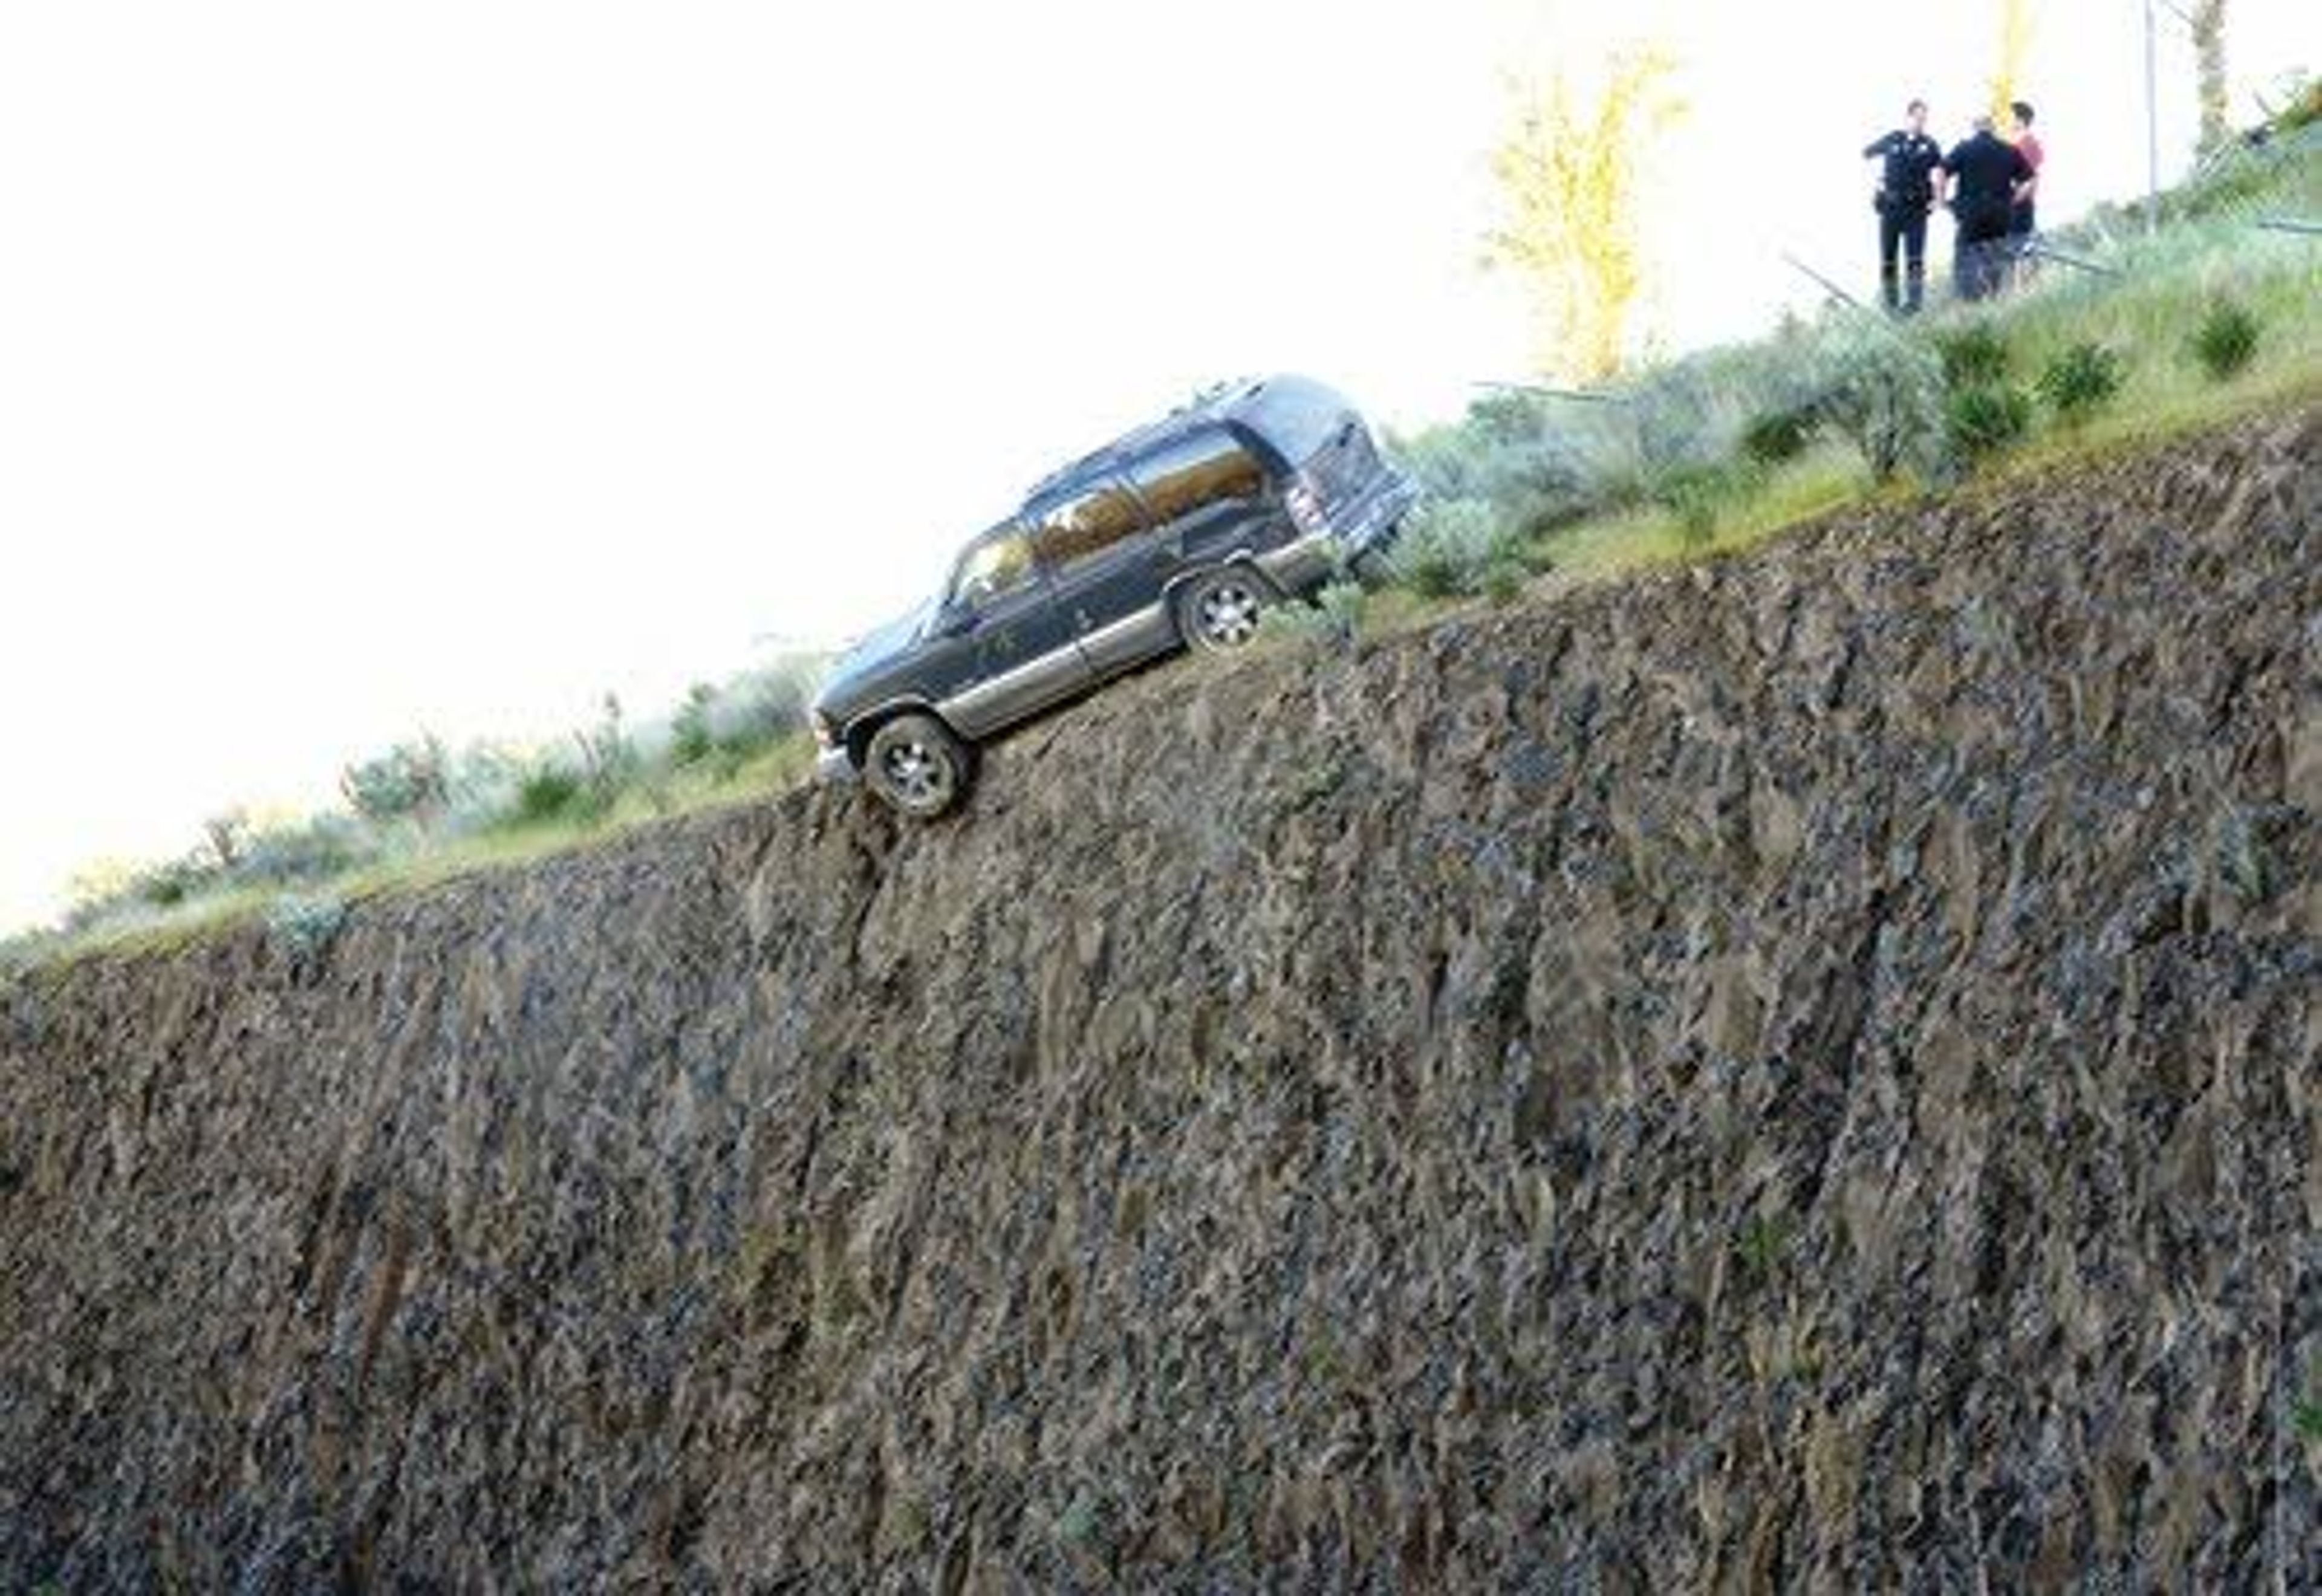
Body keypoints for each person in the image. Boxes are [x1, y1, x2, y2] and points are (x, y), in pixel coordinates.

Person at [1938, 113, 2033, 301]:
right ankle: (1994, 296)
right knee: (1996, 254)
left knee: (1964, 255)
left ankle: (1967, 299)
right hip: (2000, 213)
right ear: (1993, 129)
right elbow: (2029, 179)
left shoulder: (1964, 148)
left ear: (1975, 128)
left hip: (1971, 213)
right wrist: (2015, 199)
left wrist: (1941, 199)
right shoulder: (2009, 150)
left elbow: (1941, 171)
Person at [1862, 99, 1945, 314]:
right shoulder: (1893, 139)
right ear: (1908, 117)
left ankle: (1914, 306)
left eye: (1924, 119)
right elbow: (1867, 154)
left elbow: (1940, 171)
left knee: (1915, 259)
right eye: (1917, 117)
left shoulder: (1930, 144)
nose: (1921, 122)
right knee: (1888, 258)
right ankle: (1891, 305)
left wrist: (1937, 197)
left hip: (1917, 210)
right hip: (1890, 208)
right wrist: (1877, 185)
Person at [2008, 100, 2044, 285]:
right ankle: (2021, 288)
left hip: (2021, 201)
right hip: (2016, 201)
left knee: (2021, 248)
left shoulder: (2027, 143)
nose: (2009, 121)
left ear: (2021, 120)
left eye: (2011, 117)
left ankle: (2023, 289)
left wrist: (2016, 198)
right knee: (2020, 248)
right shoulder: (2017, 142)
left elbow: (2031, 177)